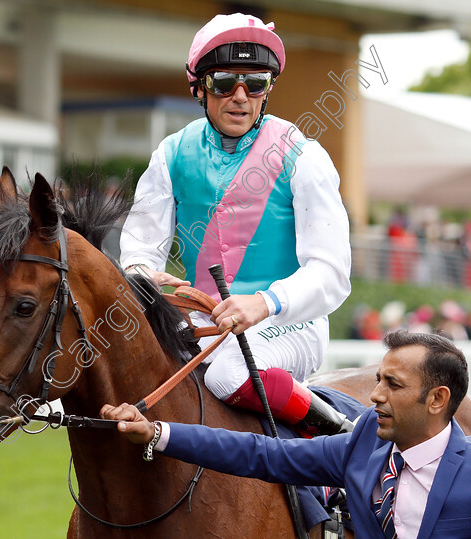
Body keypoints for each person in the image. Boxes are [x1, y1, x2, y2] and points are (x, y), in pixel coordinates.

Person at [119, 13, 352, 434]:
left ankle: (339, 435)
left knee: (226, 373)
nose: (240, 96)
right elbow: (138, 251)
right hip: (202, 323)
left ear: (267, 90)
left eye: (256, 83)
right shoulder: (170, 155)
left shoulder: (305, 156)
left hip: (287, 324)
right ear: (200, 88)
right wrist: (143, 275)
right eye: (225, 83)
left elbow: (332, 274)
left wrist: (263, 303)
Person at [102, 331, 471, 538]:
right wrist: (156, 432)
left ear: (437, 399)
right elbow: (261, 454)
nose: (376, 394)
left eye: (393, 384)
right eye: (378, 380)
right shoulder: (363, 443)